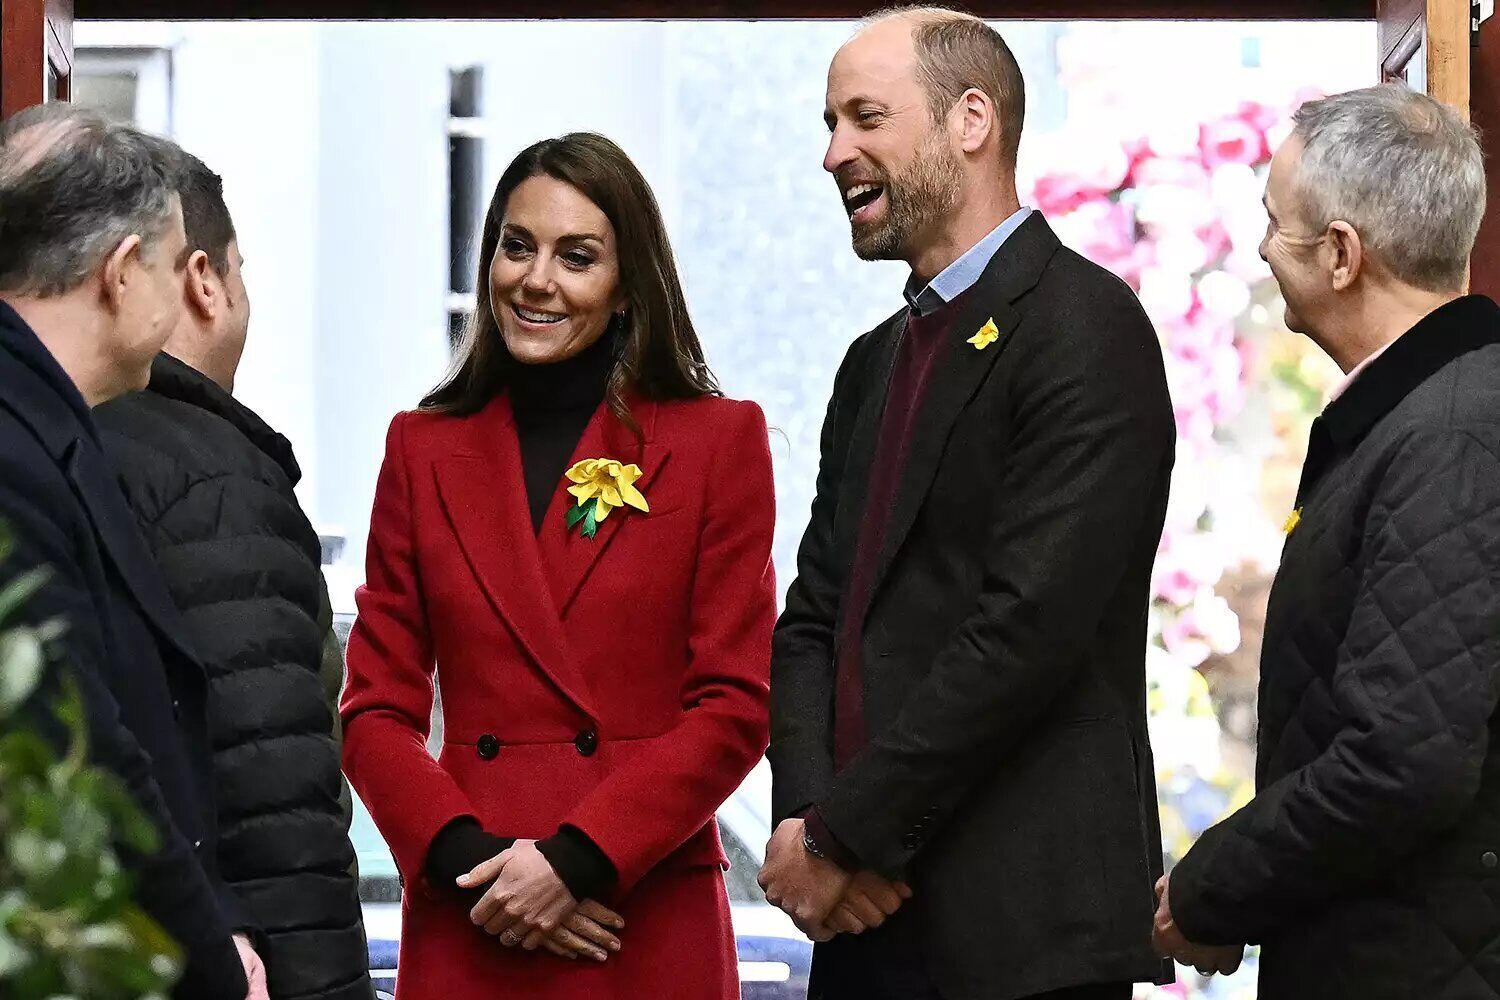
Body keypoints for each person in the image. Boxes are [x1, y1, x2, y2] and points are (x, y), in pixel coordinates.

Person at [761, 9, 1176, 1000]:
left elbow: (1023, 632)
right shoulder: (875, 362)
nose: (833, 153)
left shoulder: (1085, 328)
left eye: (865, 117)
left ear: (972, 120)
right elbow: (816, 618)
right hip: (863, 921)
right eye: (828, 122)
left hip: (1021, 939)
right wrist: (808, 825)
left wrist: (839, 834)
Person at [339, 131, 775, 999]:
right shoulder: (422, 448)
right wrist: (474, 863)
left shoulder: (716, 441)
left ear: (626, 287)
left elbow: (734, 706)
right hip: (473, 905)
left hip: (637, 909)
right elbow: (373, 711)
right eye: (516, 246)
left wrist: (578, 860)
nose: (536, 279)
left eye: (577, 257)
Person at [1153, 84, 1500, 1000]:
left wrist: (1213, 889)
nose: (1264, 249)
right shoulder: (1425, 415)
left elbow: (1404, 759)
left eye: (1276, 224)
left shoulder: (1446, 438)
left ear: (1341, 253)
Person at [93, 150, 373, 1000]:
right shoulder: (213, 479)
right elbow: (274, 802)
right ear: (204, 280)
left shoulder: (61, 442)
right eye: (242, 270)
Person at [0, 104, 264, 999]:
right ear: (121, 273)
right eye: (170, 259)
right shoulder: (13, 452)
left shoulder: (46, 425)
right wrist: (212, 962)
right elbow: (81, 745)